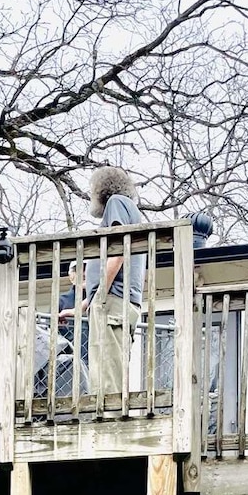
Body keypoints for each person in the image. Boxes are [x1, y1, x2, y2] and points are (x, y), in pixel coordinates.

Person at [77, 167, 145, 398]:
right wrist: (83, 306)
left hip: (112, 301)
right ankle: (109, 414)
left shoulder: (117, 202)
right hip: (115, 300)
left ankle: (109, 421)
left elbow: (118, 251)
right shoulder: (128, 207)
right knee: (109, 365)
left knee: (107, 372)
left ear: (101, 189)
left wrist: (100, 296)